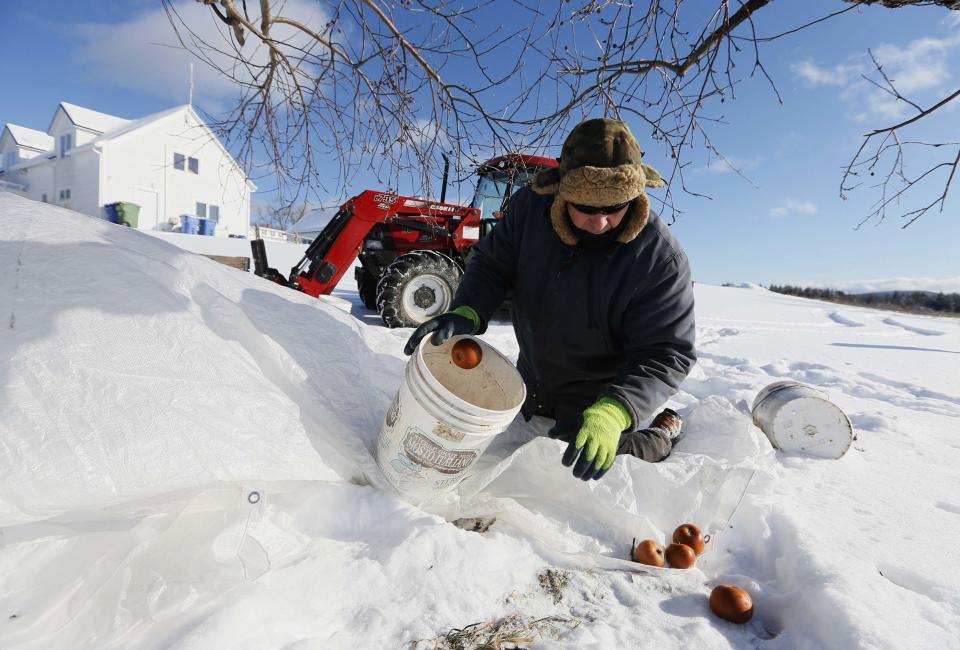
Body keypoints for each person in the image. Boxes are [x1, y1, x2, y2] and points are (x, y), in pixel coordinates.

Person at [404, 118, 696, 481]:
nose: (601, 222)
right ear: (560, 192)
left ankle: (661, 429)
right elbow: (493, 264)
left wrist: (615, 411)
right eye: (587, 208)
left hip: (602, 400)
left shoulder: (659, 259)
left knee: (616, 460)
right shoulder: (530, 211)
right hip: (533, 384)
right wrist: (468, 308)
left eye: (615, 207)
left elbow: (667, 352)